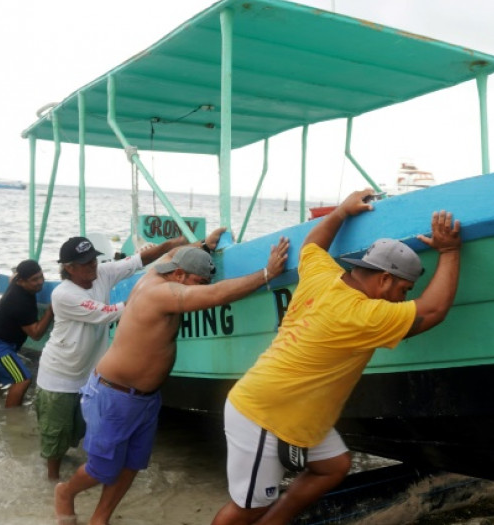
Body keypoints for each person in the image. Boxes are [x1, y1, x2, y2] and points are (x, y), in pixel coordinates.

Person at [211, 189, 462, 525]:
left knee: (334, 466)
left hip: (288, 406)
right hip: (263, 414)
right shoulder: (364, 315)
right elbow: (433, 311)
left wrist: (341, 211)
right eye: (403, 291)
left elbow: (312, 245)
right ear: (385, 279)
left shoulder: (322, 276)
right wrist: (449, 250)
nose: (403, 300)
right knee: (248, 507)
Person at [53, 235, 290, 525]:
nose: (200, 288)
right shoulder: (160, 292)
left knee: (130, 465)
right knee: (102, 469)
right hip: (114, 395)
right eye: (197, 282)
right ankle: (65, 492)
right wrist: (267, 274)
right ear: (178, 274)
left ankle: (100, 519)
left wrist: (204, 246)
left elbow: (175, 252)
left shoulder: (165, 269)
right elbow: (217, 295)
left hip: (145, 397)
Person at [35, 232, 198, 480]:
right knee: (55, 439)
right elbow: (110, 313)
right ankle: (51, 484)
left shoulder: (101, 273)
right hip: (58, 377)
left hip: (87, 376)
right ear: (69, 268)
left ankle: (73, 475)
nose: (93, 265)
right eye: (86, 263)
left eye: (94, 259)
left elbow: (137, 260)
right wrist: (150, 294)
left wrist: (175, 246)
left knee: (77, 435)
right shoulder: (63, 294)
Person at [0, 259, 54, 408]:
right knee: (23, 379)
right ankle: (12, 421)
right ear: (21, 281)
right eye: (34, 280)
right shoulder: (19, 302)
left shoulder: (16, 282)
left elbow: (13, 276)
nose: (40, 282)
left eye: (41, 277)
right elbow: (36, 334)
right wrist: (50, 311)